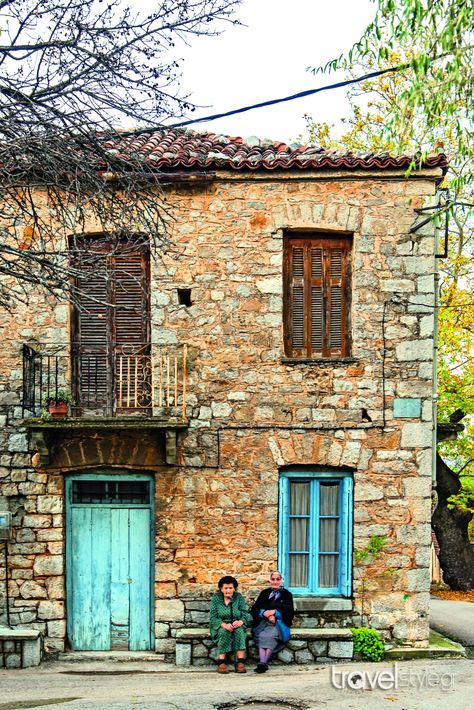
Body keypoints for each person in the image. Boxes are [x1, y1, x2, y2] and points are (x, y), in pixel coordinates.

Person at [250, 570, 294, 673]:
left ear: (281, 581)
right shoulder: (264, 593)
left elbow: (289, 611)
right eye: (273, 579)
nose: (275, 582)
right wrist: (264, 613)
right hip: (263, 623)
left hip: (278, 624)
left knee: (271, 636)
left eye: (277, 579)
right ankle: (263, 664)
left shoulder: (287, 594)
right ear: (270, 581)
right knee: (261, 635)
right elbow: (255, 609)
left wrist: (275, 613)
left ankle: (262, 663)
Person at [209, 575, 252, 674]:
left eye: (230, 588)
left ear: (234, 589)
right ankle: (222, 662)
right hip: (220, 625)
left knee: (240, 632)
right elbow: (213, 617)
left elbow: (244, 613)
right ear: (221, 589)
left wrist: (241, 621)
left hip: (236, 623)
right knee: (224, 632)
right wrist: (223, 624)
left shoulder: (238, 597)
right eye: (226, 588)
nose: (228, 590)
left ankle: (240, 662)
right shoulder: (216, 598)